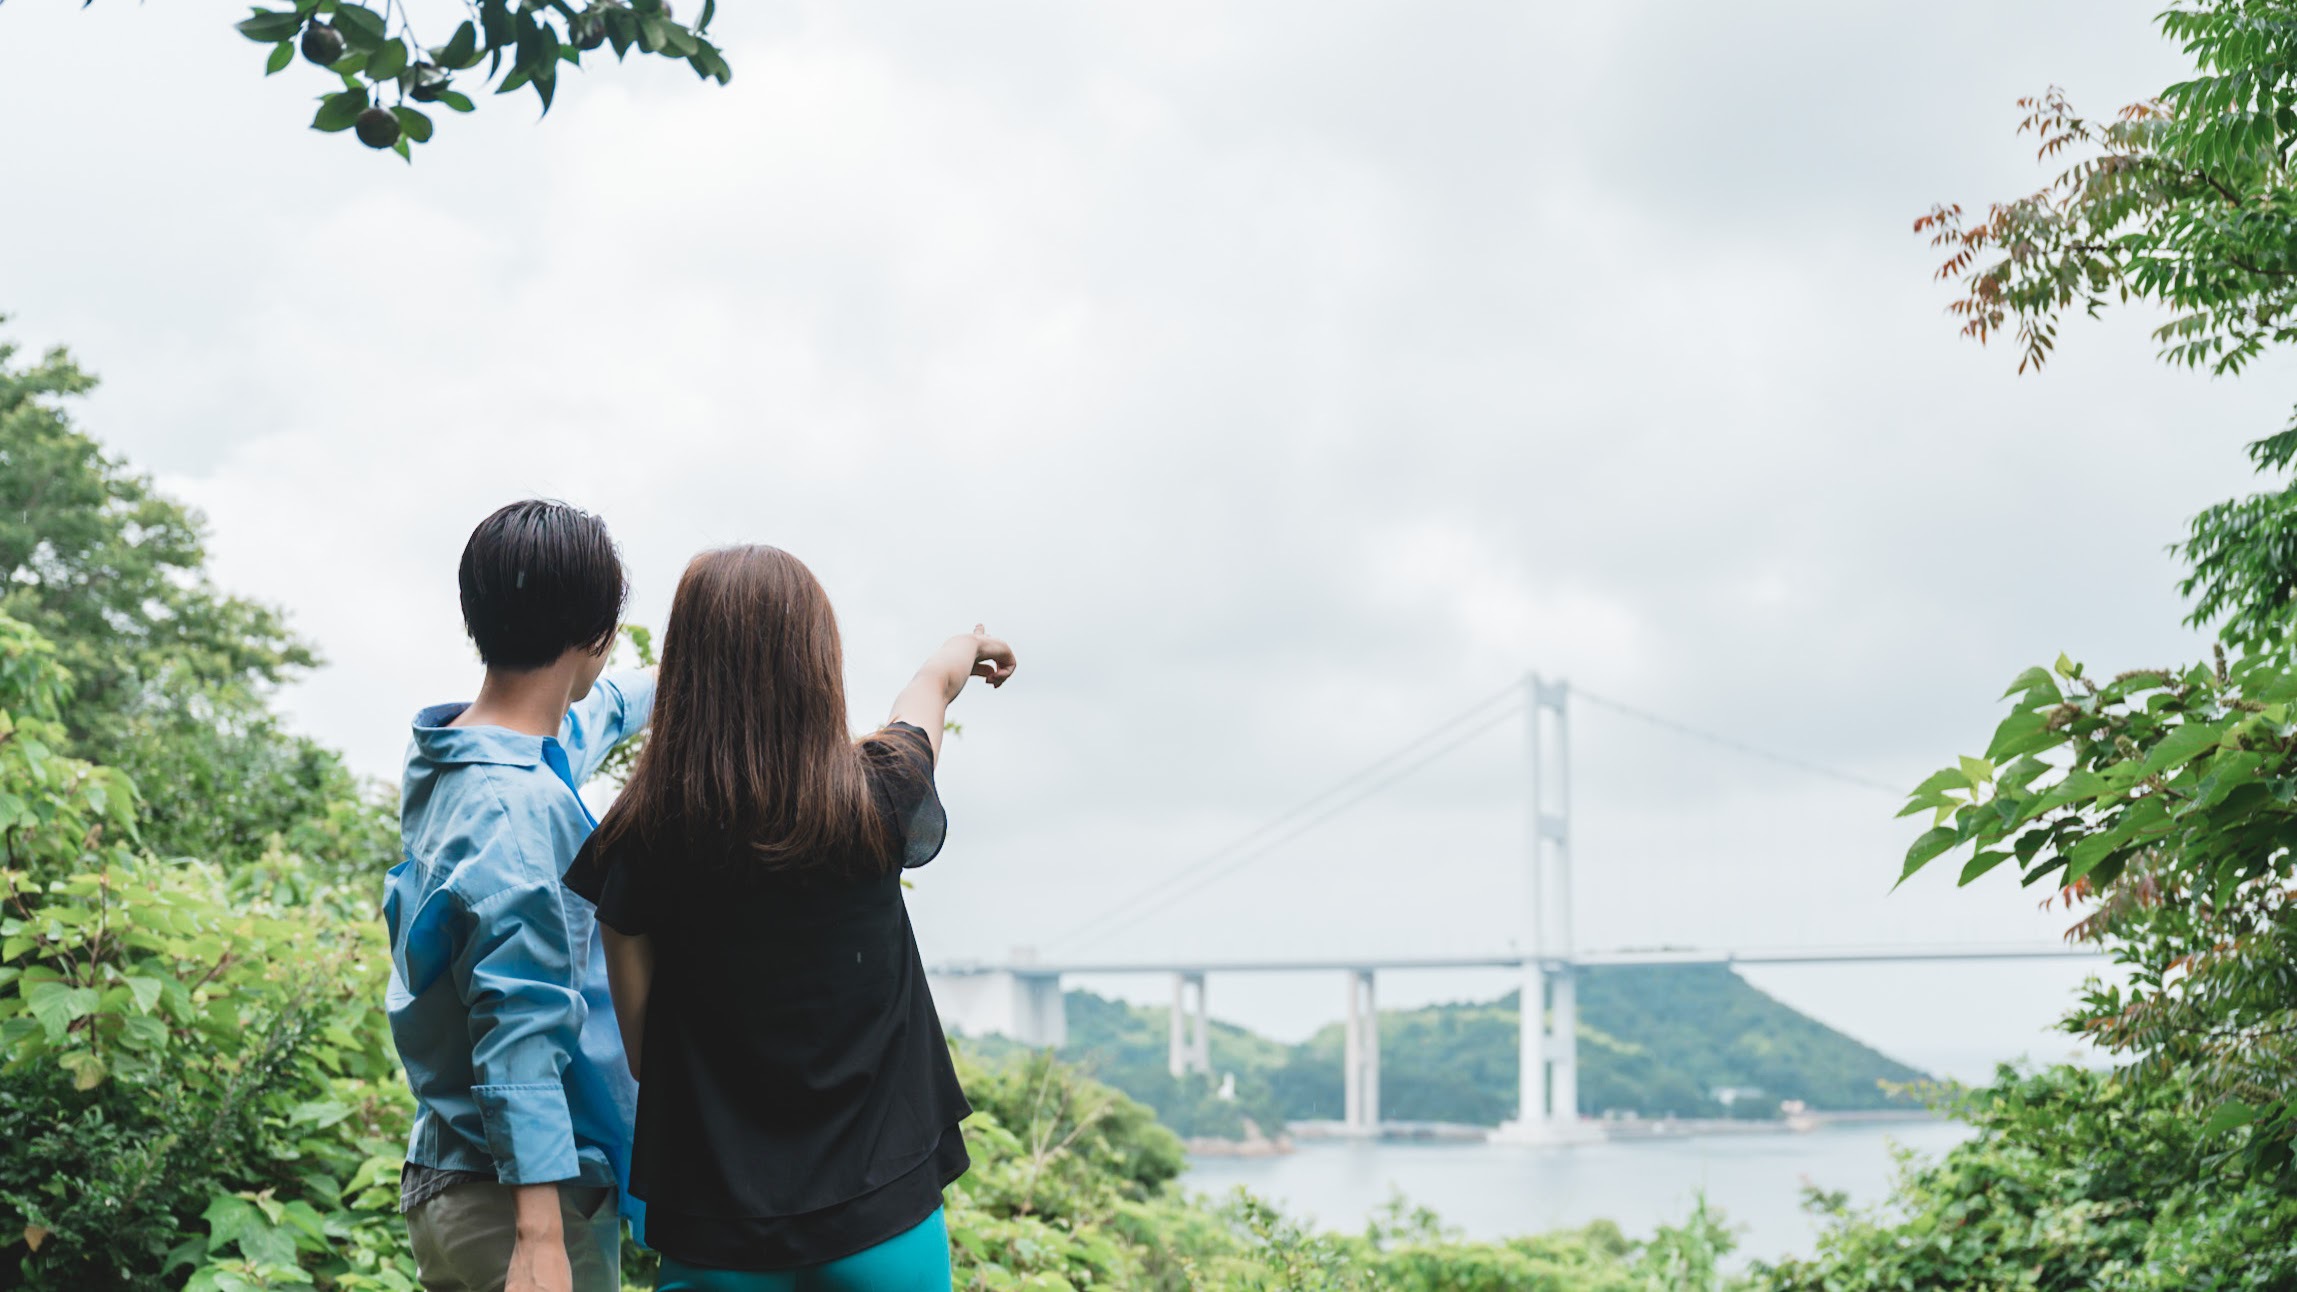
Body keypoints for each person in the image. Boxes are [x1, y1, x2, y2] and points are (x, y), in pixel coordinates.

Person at [562, 545, 1017, 1292]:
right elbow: (927, 693)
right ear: (816, 665)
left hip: (715, 1231)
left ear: (687, 675)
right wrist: (964, 648)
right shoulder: (878, 795)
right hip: (882, 1220)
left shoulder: (639, 839)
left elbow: (643, 1054)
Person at [386, 500, 656, 1292]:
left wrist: (691, 670)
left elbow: (594, 714)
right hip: (515, 1206)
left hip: (449, 1175)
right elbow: (520, 1020)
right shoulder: (521, 812)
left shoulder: (456, 755)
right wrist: (540, 1238)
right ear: (598, 634)